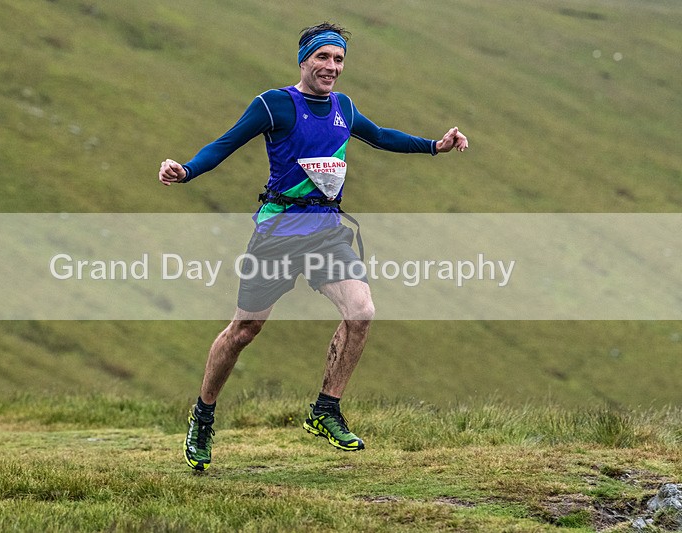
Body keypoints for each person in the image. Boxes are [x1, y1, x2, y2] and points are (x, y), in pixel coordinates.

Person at [158, 22, 468, 471]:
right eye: (323, 57)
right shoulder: (274, 104)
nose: (331, 67)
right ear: (303, 60)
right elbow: (224, 144)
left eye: (338, 59)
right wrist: (186, 171)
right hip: (278, 234)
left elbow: (379, 135)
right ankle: (203, 415)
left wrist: (434, 146)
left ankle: (325, 409)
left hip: (327, 232)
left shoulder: (343, 106)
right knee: (243, 331)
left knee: (361, 311)